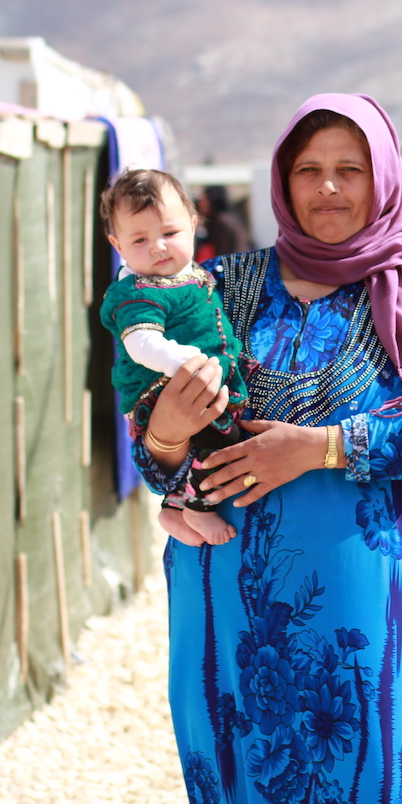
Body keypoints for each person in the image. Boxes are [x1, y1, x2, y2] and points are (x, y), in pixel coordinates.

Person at [131, 93, 402, 804]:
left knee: (373, 775)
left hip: (361, 604)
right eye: (309, 169)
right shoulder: (217, 286)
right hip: (226, 599)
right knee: (245, 788)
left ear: (383, 176)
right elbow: (152, 443)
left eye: (349, 169)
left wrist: (316, 448)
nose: (328, 187)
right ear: (282, 182)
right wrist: (164, 435)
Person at [98, 168, 249, 546]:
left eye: (169, 233)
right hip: (165, 386)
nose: (158, 247)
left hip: (198, 379)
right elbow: (141, 342)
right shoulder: (137, 291)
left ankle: (174, 509)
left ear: (194, 224)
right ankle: (197, 507)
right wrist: (181, 361)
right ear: (117, 245)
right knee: (216, 444)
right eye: (140, 239)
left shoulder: (191, 274)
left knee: (213, 439)